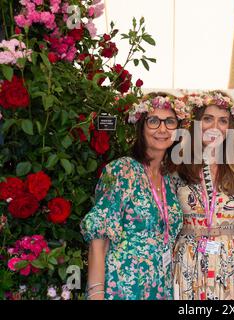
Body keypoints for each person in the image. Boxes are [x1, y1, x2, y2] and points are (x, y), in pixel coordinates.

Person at [80, 93, 185, 300]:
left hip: (160, 288)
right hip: (121, 287)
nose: (162, 129)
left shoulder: (169, 180)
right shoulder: (122, 171)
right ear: (141, 127)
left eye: (170, 122)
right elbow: (98, 240)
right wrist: (96, 295)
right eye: (153, 121)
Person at [172, 90, 234, 300]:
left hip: (229, 263)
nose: (215, 127)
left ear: (230, 128)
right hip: (188, 261)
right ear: (196, 124)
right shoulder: (177, 169)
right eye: (208, 119)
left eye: (223, 121)